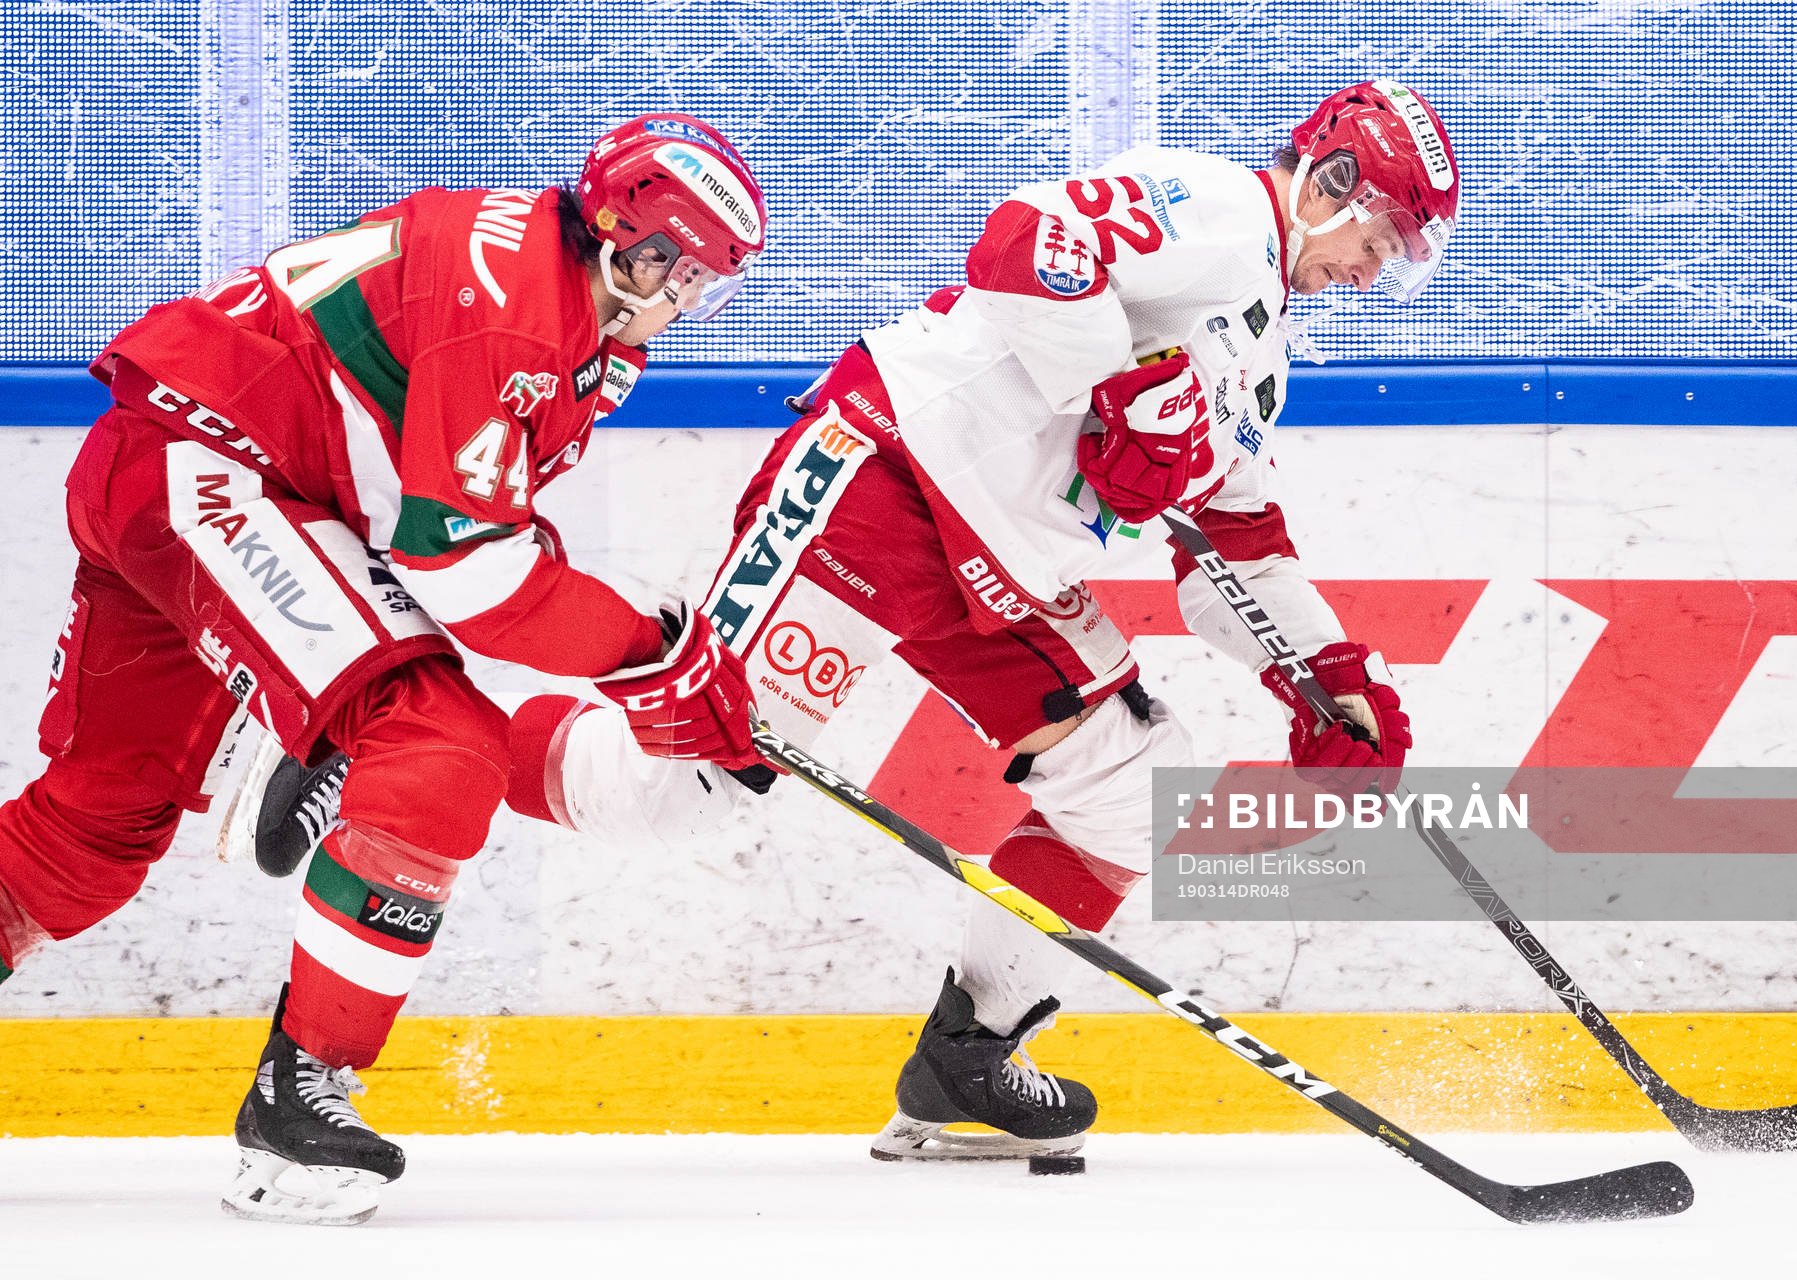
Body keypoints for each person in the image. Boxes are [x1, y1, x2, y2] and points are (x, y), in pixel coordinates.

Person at [246, 81, 1458, 1164]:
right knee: (683, 788)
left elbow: (1234, 540)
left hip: (1007, 562)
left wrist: (1327, 675)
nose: (1376, 265)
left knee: (1136, 788)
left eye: (1399, 254)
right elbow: (1024, 241)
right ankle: (371, 735)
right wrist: (1115, 387)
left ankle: (968, 1057)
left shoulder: (1267, 360)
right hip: (879, 482)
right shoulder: (1217, 208)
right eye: (1382, 234)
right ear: (1333, 178)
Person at [0, 113, 769, 1224]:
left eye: (706, 277)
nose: (688, 295)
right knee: (437, 743)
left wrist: (644, 662)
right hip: (210, 476)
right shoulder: (513, 315)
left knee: (92, 827)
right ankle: (298, 1092)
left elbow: (458, 531)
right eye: (680, 265)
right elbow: (471, 575)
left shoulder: (572, 309)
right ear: (622, 236)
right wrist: (656, 656)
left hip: (196, 468)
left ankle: (314, 720)